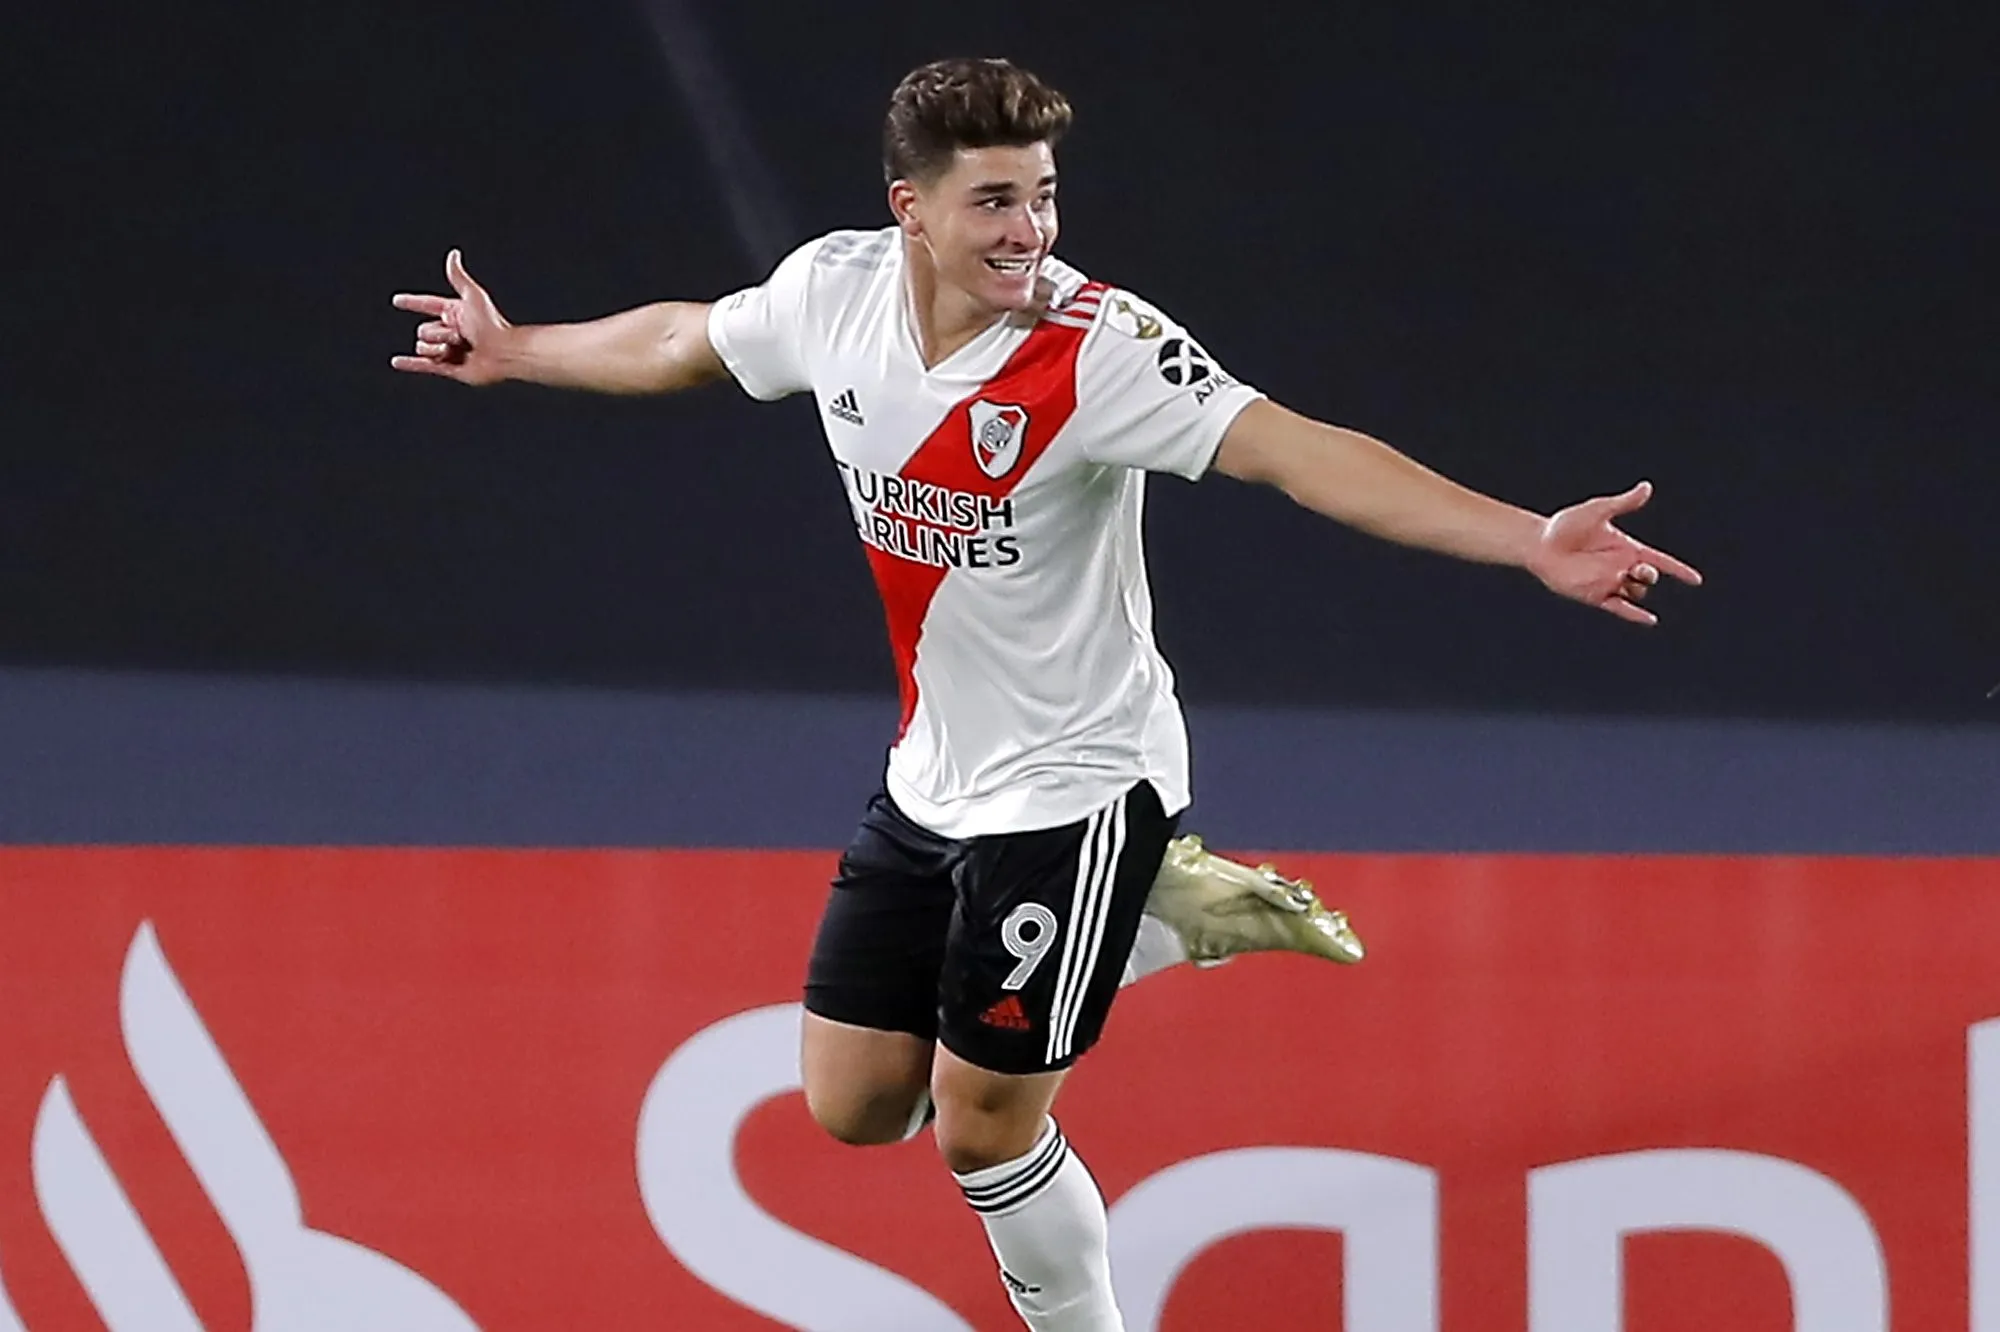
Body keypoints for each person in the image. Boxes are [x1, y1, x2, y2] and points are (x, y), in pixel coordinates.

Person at [391, 55, 1700, 1332]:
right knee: (855, 1106)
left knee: (983, 1126)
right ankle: (1168, 921)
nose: (1031, 232)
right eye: (995, 202)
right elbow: (685, 339)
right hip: (933, 778)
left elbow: (1299, 454)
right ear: (911, 209)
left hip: (1081, 783)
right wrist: (520, 352)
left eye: (1044, 196)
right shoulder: (832, 296)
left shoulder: (1104, 348)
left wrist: (1526, 536)